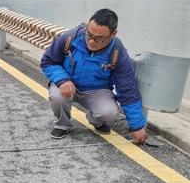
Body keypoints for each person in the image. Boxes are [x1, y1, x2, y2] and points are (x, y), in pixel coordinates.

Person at [40, 8, 147, 144]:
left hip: (97, 91)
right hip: (67, 85)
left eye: (99, 39)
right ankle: (62, 124)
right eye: (89, 34)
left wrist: (137, 126)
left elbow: (127, 90)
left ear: (113, 34)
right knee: (57, 97)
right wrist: (62, 80)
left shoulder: (117, 51)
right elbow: (48, 61)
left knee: (109, 112)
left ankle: (96, 121)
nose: (91, 41)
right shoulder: (70, 37)